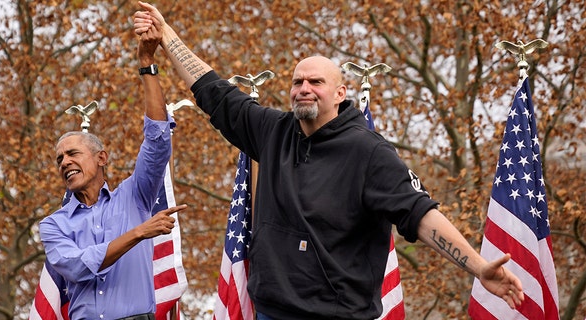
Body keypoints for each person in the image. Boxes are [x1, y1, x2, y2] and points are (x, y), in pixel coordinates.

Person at [133, 2, 525, 319]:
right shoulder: (273, 131)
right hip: (271, 312)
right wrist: (166, 35)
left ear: (340, 93)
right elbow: (214, 91)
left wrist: (477, 266)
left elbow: (420, 214)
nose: (304, 89)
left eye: (315, 82)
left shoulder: (368, 151)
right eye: (297, 81)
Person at [39, 10, 187, 320]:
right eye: (59, 160)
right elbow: (79, 266)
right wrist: (139, 233)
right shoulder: (53, 225)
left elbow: (158, 141)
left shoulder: (135, 196)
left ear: (101, 158)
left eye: (73, 154)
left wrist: (147, 65)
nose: (64, 162)